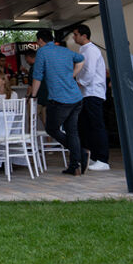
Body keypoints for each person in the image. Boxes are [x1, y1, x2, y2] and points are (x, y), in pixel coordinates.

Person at [29, 28, 86, 175]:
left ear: (40, 40)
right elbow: (81, 59)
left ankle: (79, 153)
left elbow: (37, 76)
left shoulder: (42, 52)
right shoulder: (64, 50)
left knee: (51, 129)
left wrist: (33, 96)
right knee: (72, 131)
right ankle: (75, 165)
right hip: (76, 97)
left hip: (60, 99)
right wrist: (72, 75)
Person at [71, 24, 110, 172]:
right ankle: (93, 155)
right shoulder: (83, 50)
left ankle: (103, 159)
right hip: (85, 93)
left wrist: (78, 82)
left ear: (84, 36)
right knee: (86, 125)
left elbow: (89, 72)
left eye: (76, 34)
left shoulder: (91, 50)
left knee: (96, 125)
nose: (74, 37)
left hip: (93, 92)